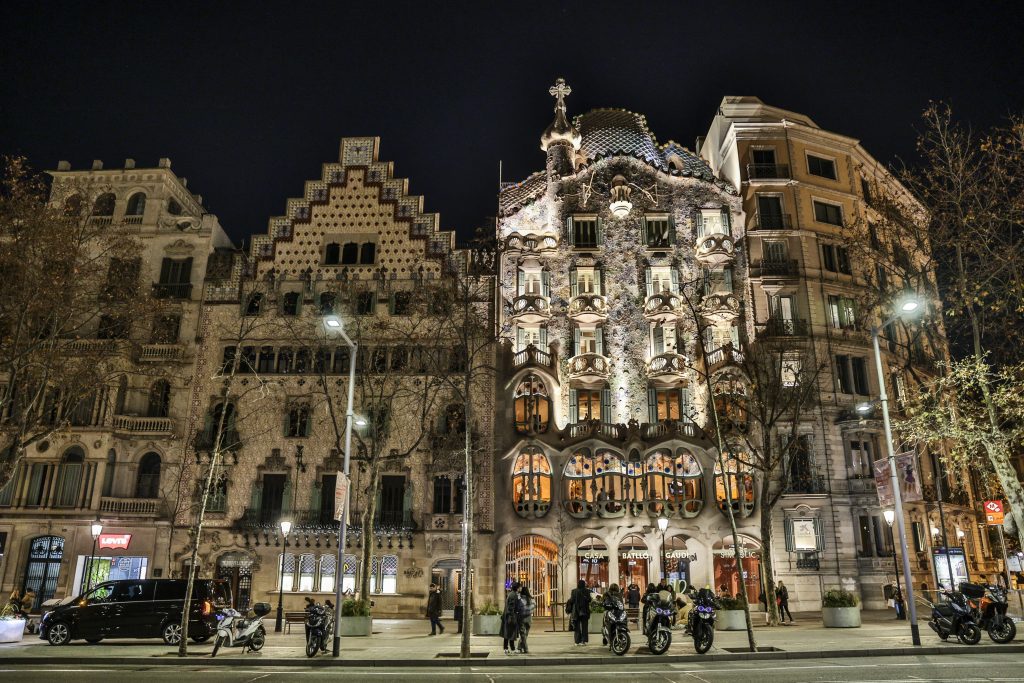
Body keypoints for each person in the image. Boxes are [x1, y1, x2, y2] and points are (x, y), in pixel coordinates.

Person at [566, 579, 592, 646]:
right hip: (584, 611)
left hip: (576, 611)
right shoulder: (587, 591)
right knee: (584, 627)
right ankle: (583, 641)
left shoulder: (574, 591)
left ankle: (577, 641)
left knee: (577, 627)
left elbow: (572, 600)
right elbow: (589, 600)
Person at [502, 582, 522, 654]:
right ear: (517, 588)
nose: (521, 588)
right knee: (511, 633)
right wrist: (513, 617)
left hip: (508, 616)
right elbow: (511, 607)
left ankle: (506, 648)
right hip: (511, 617)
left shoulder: (511, 594)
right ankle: (512, 649)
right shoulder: (514, 595)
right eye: (520, 587)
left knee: (508, 633)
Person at [518, 585, 536, 654]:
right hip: (529, 618)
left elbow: (520, 609)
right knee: (525, 634)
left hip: (521, 618)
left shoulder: (520, 599)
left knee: (523, 634)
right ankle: (520, 647)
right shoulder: (532, 599)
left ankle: (525, 649)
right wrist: (529, 610)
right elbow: (533, 608)